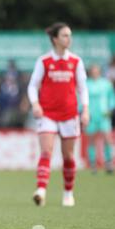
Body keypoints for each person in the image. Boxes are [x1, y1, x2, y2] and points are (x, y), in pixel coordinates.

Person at [28, 22, 89, 207]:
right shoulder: (44, 61)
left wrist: (85, 110)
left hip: (70, 114)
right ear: (55, 39)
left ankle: (68, 193)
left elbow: (82, 88)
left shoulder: (76, 62)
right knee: (46, 151)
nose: (68, 38)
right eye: (64, 35)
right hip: (47, 114)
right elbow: (32, 86)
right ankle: (41, 190)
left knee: (69, 156)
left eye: (69, 35)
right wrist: (35, 104)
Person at [85, 64, 115, 175]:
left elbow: (112, 97)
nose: (95, 72)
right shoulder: (86, 84)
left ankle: (108, 163)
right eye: (93, 70)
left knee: (108, 138)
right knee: (91, 140)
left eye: (97, 70)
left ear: (100, 72)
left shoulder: (106, 84)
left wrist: (110, 108)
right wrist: (83, 111)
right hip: (91, 116)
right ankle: (93, 164)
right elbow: (81, 99)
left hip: (103, 115)